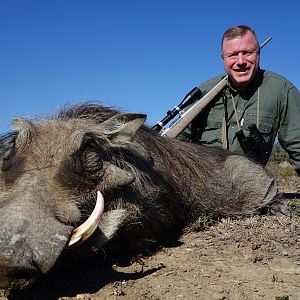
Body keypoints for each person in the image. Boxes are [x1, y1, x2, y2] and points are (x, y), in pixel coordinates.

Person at [180, 25, 300, 175]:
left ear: (258, 53)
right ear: (223, 58)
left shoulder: (282, 90)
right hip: (203, 185)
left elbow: (298, 145)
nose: (241, 61)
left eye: (248, 52)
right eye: (233, 55)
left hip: (251, 187)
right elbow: (173, 143)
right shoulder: (204, 92)